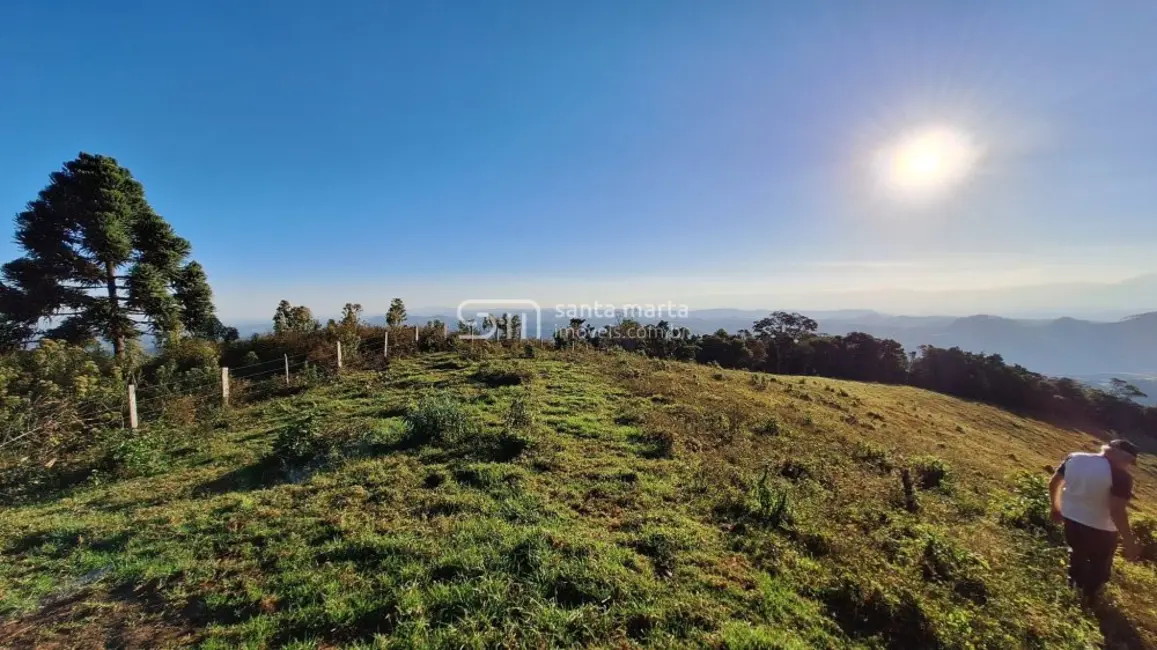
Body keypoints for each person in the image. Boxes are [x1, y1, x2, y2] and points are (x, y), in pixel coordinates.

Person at [1049, 439, 1141, 605]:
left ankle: (1072, 590)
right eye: (1128, 461)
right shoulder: (1121, 477)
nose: (1128, 465)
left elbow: (1054, 482)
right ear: (1118, 455)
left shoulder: (1075, 458)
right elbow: (1117, 511)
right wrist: (1129, 540)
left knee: (1077, 554)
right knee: (1099, 567)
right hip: (1102, 529)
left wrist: (1055, 507)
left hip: (1072, 520)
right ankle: (1089, 601)